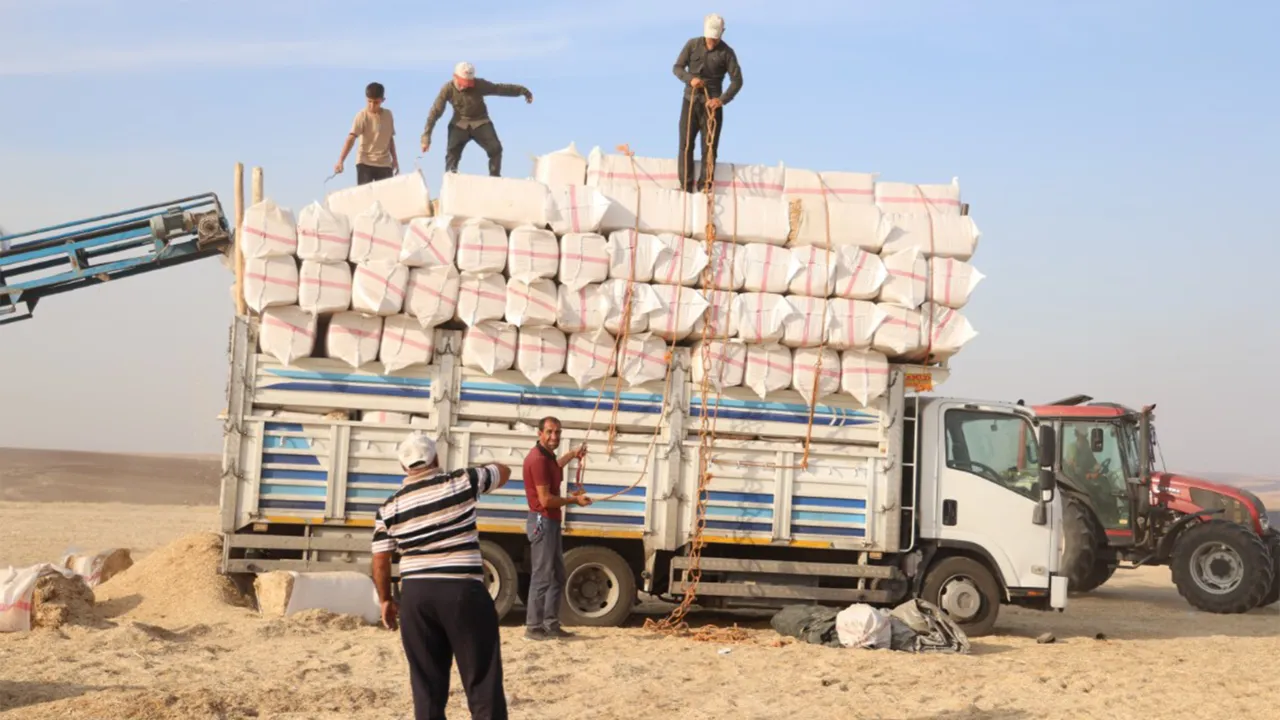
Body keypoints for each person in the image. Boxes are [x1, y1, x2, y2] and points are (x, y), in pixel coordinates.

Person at [372, 431, 512, 720]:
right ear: (435, 458)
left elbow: (381, 559)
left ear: (403, 467)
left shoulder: (388, 508)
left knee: (427, 689)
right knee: (481, 682)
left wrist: (386, 600)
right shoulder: (460, 482)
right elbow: (504, 471)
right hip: (463, 593)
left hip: (416, 599)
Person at [522, 417, 591, 641]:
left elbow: (555, 468)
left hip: (550, 521)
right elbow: (545, 500)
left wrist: (572, 454)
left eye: (558, 433)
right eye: (550, 432)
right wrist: (574, 501)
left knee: (557, 576)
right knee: (543, 576)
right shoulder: (538, 460)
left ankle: (550, 625)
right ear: (539, 433)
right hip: (543, 520)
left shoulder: (547, 457)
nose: (554, 437)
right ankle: (533, 627)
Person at [420, 62, 533, 177]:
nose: (465, 86)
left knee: (496, 149)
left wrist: (523, 91)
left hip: (480, 122)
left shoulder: (479, 84)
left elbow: (499, 89)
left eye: (468, 83)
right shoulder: (447, 89)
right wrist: (426, 137)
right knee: (452, 152)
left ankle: (495, 179)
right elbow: (435, 112)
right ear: (455, 77)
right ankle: (451, 180)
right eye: (462, 83)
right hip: (460, 124)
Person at [672, 13, 744, 193]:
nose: (712, 42)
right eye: (709, 38)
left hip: (712, 107)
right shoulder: (692, 45)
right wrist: (690, 79)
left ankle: (705, 186)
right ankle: (686, 186)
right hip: (690, 101)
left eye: (715, 39)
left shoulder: (727, 53)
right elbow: (677, 68)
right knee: (686, 145)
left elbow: (737, 80)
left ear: (722, 33)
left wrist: (721, 100)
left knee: (709, 148)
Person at [334, 82, 399, 185]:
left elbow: (390, 139)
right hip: (365, 162)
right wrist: (340, 160)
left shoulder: (388, 115)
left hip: (385, 164)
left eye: (376, 102)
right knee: (365, 197)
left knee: (385, 198)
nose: (372, 105)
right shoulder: (362, 116)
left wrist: (395, 160)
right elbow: (351, 139)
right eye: (369, 101)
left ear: (383, 100)